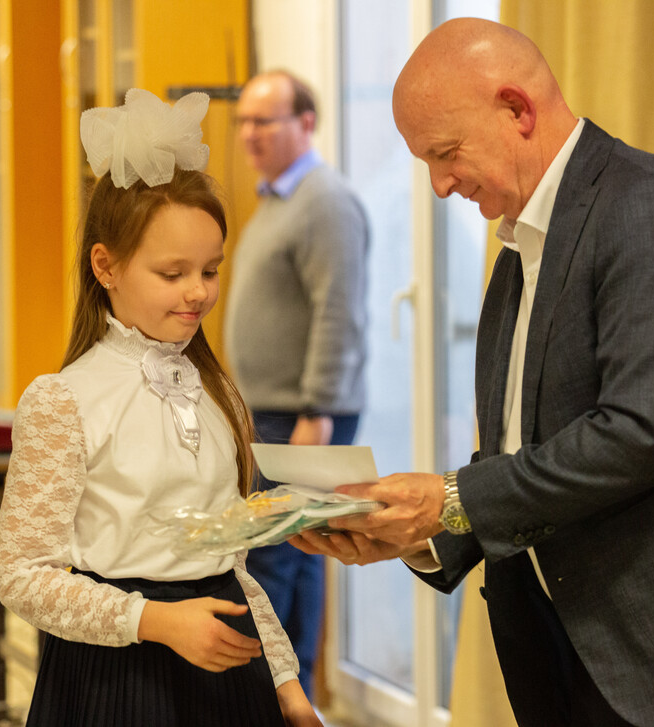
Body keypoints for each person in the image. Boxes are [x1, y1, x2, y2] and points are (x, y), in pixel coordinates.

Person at [290, 18, 654, 727]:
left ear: (517, 110)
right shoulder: (521, 247)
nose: (438, 185)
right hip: (590, 653)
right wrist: (419, 533)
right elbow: (522, 449)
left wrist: (447, 498)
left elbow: (635, 434)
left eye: (446, 153)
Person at [0, 88, 321, 727]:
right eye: (173, 274)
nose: (198, 292)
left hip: (228, 671)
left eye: (210, 270)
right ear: (106, 266)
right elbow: (22, 576)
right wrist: (156, 621)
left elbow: (234, 570)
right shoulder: (63, 400)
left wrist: (285, 682)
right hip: (117, 676)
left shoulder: (218, 392)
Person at [224, 69, 368, 699]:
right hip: (275, 411)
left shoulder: (324, 201)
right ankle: (290, 697)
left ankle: (283, 699)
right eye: (243, 122)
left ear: (306, 123)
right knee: (292, 553)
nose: (249, 134)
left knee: (280, 558)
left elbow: (339, 311)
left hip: (306, 413)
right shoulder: (278, 199)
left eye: (264, 120)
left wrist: (318, 409)